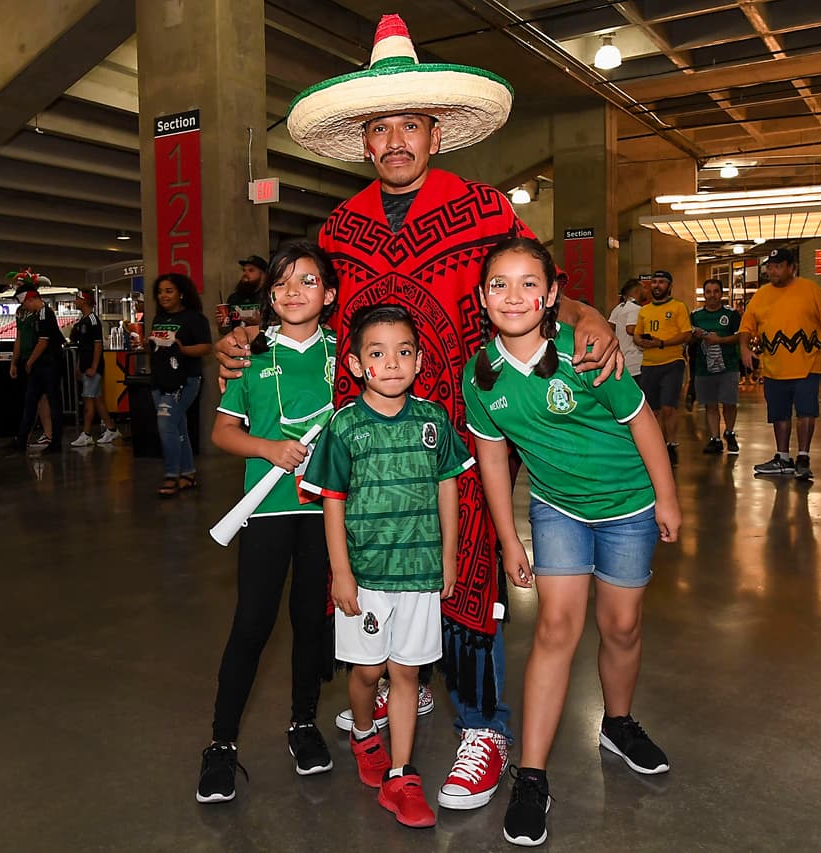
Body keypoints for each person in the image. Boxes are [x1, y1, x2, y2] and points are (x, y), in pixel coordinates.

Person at [219, 13, 623, 811]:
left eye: (409, 125)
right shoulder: (342, 226)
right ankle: (409, 677)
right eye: (380, 129)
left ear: (436, 135)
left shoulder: (481, 211)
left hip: (456, 434)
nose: (395, 140)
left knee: (468, 570)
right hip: (367, 443)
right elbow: (310, 316)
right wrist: (244, 345)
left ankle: (484, 722)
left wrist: (586, 315)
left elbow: (536, 286)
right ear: (364, 143)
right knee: (377, 568)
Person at [461, 238, 680, 847]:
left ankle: (619, 723)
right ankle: (531, 776)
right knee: (556, 630)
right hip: (557, 511)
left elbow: (641, 419)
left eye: (529, 283)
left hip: (629, 507)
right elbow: (491, 457)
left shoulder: (584, 352)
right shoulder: (482, 375)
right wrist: (509, 541)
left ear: (553, 294)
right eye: (499, 284)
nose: (514, 296)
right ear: (482, 298)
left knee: (622, 626)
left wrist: (667, 498)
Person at [303, 304, 470, 829]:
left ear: (420, 361)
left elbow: (449, 487)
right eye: (377, 353)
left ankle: (401, 775)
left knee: (406, 674)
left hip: (419, 573)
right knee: (368, 672)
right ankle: (361, 731)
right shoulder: (345, 425)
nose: (392, 363)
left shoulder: (434, 420)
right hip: (367, 577)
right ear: (356, 364)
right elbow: (332, 499)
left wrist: (448, 555)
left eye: (403, 352)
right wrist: (342, 572)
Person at [196, 242, 340, 805]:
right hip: (267, 509)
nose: (293, 292)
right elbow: (222, 433)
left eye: (308, 281)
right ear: (269, 295)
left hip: (327, 509)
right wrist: (268, 448)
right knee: (252, 625)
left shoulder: (347, 356)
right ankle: (221, 744)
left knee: (311, 621)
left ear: (329, 295)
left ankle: (304, 724)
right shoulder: (249, 356)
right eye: (281, 283)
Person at [739, 248, 821, 481]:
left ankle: (804, 457)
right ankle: (782, 457)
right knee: (779, 414)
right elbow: (746, 326)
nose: (772, 271)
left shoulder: (811, 290)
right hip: (774, 367)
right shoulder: (761, 295)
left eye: (778, 266)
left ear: (791, 267)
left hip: (807, 365)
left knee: (806, 411)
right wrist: (744, 348)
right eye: (770, 267)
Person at [149, 273, 212, 497]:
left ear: (181, 293)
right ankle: (188, 473)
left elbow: (205, 347)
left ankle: (171, 475)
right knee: (178, 427)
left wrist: (182, 349)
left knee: (166, 425)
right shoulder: (158, 319)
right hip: (160, 381)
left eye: (169, 291)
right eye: (160, 292)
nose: (163, 296)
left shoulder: (194, 318)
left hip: (185, 381)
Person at [632, 270, 692, 465]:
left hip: (672, 362)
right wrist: (641, 341)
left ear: (669, 286)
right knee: (653, 410)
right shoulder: (645, 310)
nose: (657, 285)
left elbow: (686, 334)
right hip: (649, 364)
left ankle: (672, 444)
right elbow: (637, 334)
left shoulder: (678, 307)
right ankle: (657, 446)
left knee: (668, 407)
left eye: (661, 282)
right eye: (654, 282)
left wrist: (661, 343)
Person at [689, 278, 742, 455]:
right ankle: (715, 438)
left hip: (729, 367)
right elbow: (688, 339)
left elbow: (740, 337)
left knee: (729, 403)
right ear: (704, 294)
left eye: (716, 291)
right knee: (710, 405)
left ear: (721, 294)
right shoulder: (695, 315)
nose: (712, 295)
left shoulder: (732, 314)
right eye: (709, 292)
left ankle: (730, 432)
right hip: (704, 369)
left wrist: (720, 340)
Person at [13, 284, 65, 454]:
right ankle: (22, 439)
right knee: (31, 401)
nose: (25, 307)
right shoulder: (37, 315)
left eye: (25, 303)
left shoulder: (45, 314)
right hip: (42, 364)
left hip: (49, 364)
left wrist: (29, 362)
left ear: (32, 299)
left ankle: (55, 442)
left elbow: (43, 341)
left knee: (53, 402)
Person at [68, 291, 120, 447]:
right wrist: (79, 366)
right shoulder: (82, 321)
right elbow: (81, 347)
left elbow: (98, 345)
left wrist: (94, 367)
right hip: (85, 366)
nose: (75, 301)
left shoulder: (93, 320)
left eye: (78, 298)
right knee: (97, 401)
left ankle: (87, 434)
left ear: (85, 301)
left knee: (88, 401)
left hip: (92, 368)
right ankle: (111, 428)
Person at [608, 279, 647, 380]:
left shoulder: (619, 308)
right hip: (635, 362)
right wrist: (649, 335)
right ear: (637, 291)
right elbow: (630, 329)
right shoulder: (635, 308)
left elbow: (610, 327)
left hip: (622, 361)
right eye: (644, 288)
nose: (647, 291)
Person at [217, 255, 267, 334]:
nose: (245, 274)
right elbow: (225, 331)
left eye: (251, 270)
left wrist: (260, 323)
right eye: (244, 270)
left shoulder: (268, 297)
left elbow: (279, 329)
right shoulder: (234, 298)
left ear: (263, 275)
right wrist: (221, 324)